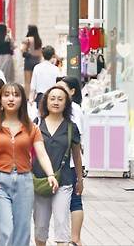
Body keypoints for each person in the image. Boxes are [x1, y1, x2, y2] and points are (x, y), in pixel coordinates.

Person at [0, 82, 59, 246]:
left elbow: (41, 153)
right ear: (1, 99)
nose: (11, 99)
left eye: (16, 95)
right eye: (7, 95)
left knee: (22, 230)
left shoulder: (32, 127)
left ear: (22, 99)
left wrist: (50, 174)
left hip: (25, 181)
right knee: (3, 229)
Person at [33, 86, 84, 246]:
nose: (56, 102)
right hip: (39, 181)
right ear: (45, 101)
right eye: (52, 98)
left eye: (60, 99)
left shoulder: (71, 127)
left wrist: (80, 179)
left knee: (62, 224)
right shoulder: (36, 124)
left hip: (64, 181)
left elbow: (76, 155)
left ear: (66, 103)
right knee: (40, 227)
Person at [55, 76, 85, 246]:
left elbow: (76, 141)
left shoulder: (74, 109)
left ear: (72, 91)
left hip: (72, 163)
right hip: (63, 163)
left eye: (62, 88)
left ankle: (75, 238)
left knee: (75, 200)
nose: (57, 91)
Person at [22, 25, 43, 96]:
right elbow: (40, 53)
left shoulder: (27, 39)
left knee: (27, 81)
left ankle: (27, 96)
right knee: (36, 80)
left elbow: (22, 49)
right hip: (37, 60)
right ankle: (35, 96)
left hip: (29, 60)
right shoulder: (39, 40)